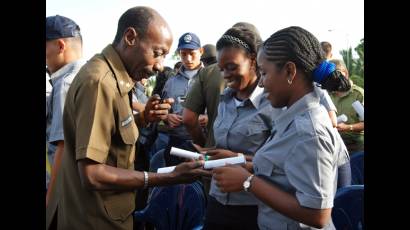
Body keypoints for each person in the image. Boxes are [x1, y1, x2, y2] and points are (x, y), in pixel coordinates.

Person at [45, 7, 209, 230]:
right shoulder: (100, 82)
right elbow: (92, 174)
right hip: (95, 220)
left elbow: (110, 135)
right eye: (157, 52)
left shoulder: (118, 77)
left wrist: (142, 118)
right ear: (130, 37)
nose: (160, 65)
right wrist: (167, 178)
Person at [213, 26, 349, 229]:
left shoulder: (309, 132)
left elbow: (317, 215)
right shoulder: (293, 118)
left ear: (289, 71)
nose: (261, 84)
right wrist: (243, 164)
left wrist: (248, 181)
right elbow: (284, 169)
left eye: (265, 73)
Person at [201, 26, 278, 230]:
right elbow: (219, 146)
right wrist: (207, 159)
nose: (226, 75)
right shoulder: (225, 99)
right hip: (217, 201)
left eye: (232, 67)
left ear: (253, 60)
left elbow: (281, 163)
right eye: (221, 69)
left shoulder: (272, 104)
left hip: (253, 206)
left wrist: (237, 159)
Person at [45, 15, 85, 206]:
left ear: (61, 46)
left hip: (65, 187)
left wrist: (50, 200)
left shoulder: (65, 84)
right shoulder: (84, 74)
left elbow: (63, 146)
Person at [160, 32, 206, 165]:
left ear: (201, 51)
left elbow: (222, 109)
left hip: (202, 143)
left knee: (201, 182)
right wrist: (167, 118)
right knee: (173, 182)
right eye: (183, 54)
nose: (188, 59)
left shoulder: (211, 79)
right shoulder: (171, 82)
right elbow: (163, 111)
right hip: (176, 143)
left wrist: (209, 119)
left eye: (192, 53)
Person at [329, 59, 364, 154]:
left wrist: (349, 127)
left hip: (356, 145)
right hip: (334, 144)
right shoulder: (328, 95)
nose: (335, 80)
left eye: (338, 75)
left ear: (346, 73)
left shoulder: (358, 94)